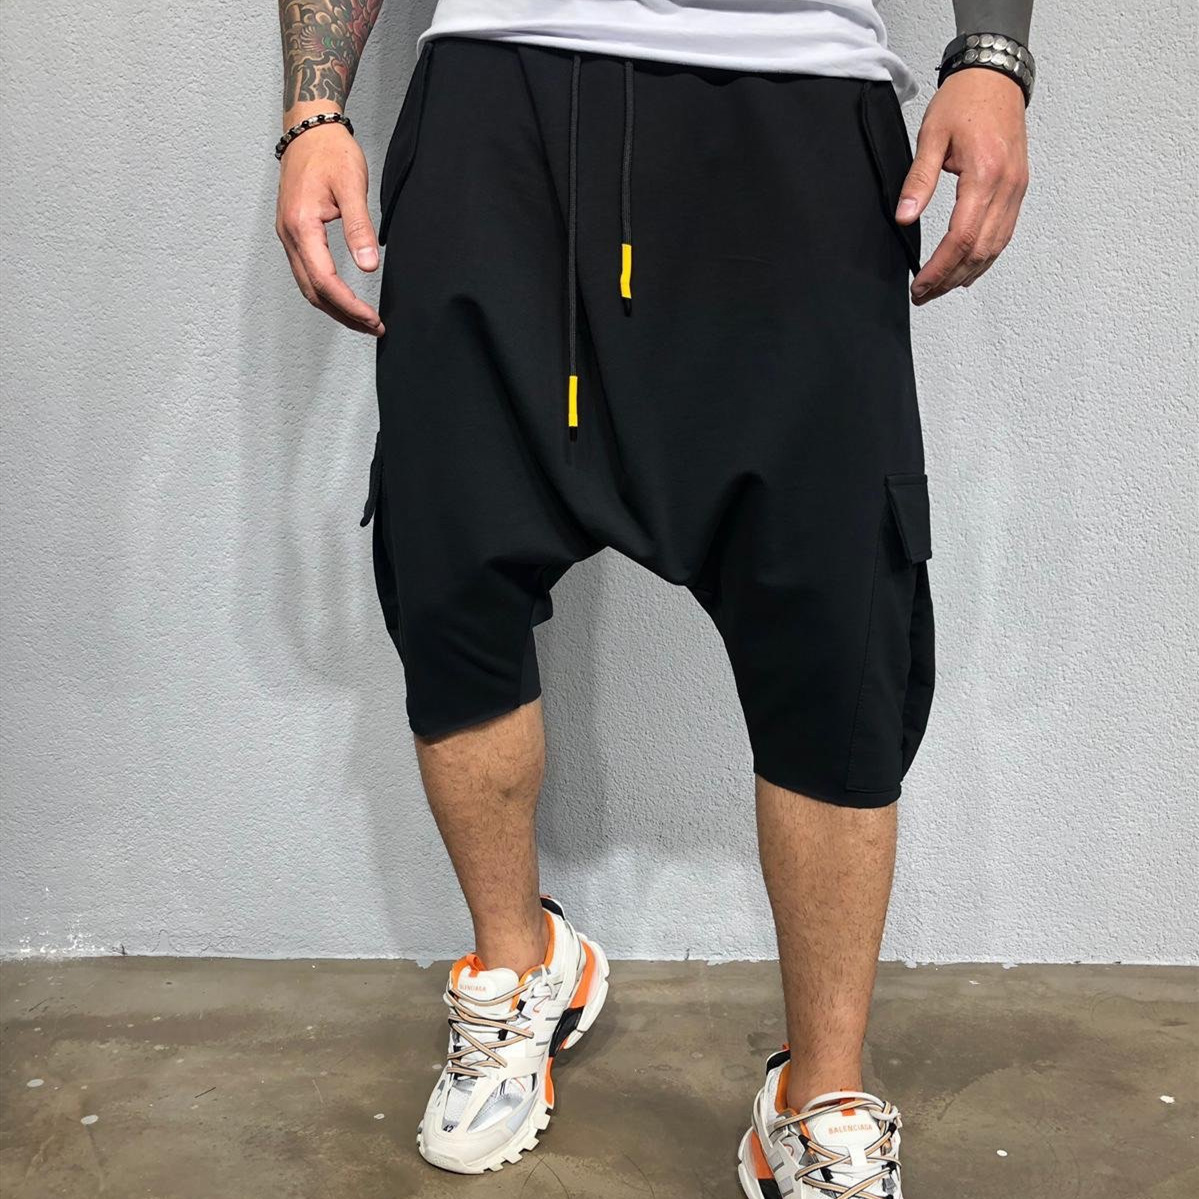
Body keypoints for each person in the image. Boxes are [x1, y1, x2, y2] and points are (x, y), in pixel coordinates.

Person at [275, 1, 1034, 1192]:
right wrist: (313, 107)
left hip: (792, 98)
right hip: (496, 88)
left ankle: (819, 1094)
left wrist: (992, 58)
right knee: (449, 562)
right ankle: (517, 968)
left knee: (834, 613)